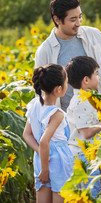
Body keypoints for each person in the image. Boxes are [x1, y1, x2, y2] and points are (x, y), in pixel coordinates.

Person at [23, 64, 73, 203]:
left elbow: (27, 134)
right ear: (59, 89)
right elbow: (45, 141)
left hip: (41, 158)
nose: (67, 85)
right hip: (59, 161)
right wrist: (45, 170)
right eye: (66, 82)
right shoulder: (56, 114)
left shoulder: (33, 106)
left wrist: (40, 153)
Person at [65, 56, 101, 197]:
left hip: (84, 153)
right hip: (82, 155)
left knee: (89, 191)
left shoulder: (86, 99)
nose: (99, 77)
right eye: (96, 74)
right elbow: (86, 133)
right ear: (86, 80)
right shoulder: (82, 102)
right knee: (91, 192)